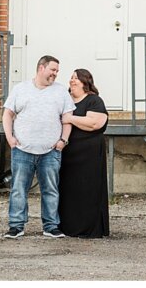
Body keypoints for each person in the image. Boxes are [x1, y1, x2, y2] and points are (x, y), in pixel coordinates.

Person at [2, 55, 75, 238]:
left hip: (51, 151)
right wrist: (10, 138)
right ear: (41, 68)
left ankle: (50, 226)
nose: (55, 74)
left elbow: (67, 120)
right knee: (19, 189)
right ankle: (16, 226)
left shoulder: (60, 92)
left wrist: (63, 141)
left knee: (50, 189)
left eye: (57, 71)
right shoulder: (21, 89)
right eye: (53, 70)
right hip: (22, 150)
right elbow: (7, 114)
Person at [59, 69, 110, 238]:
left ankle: (89, 228)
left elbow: (95, 123)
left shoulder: (93, 100)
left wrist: (71, 119)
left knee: (88, 189)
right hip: (68, 153)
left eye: (76, 78)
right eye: (71, 78)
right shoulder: (64, 100)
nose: (72, 81)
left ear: (85, 81)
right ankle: (67, 227)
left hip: (90, 154)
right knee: (68, 189)